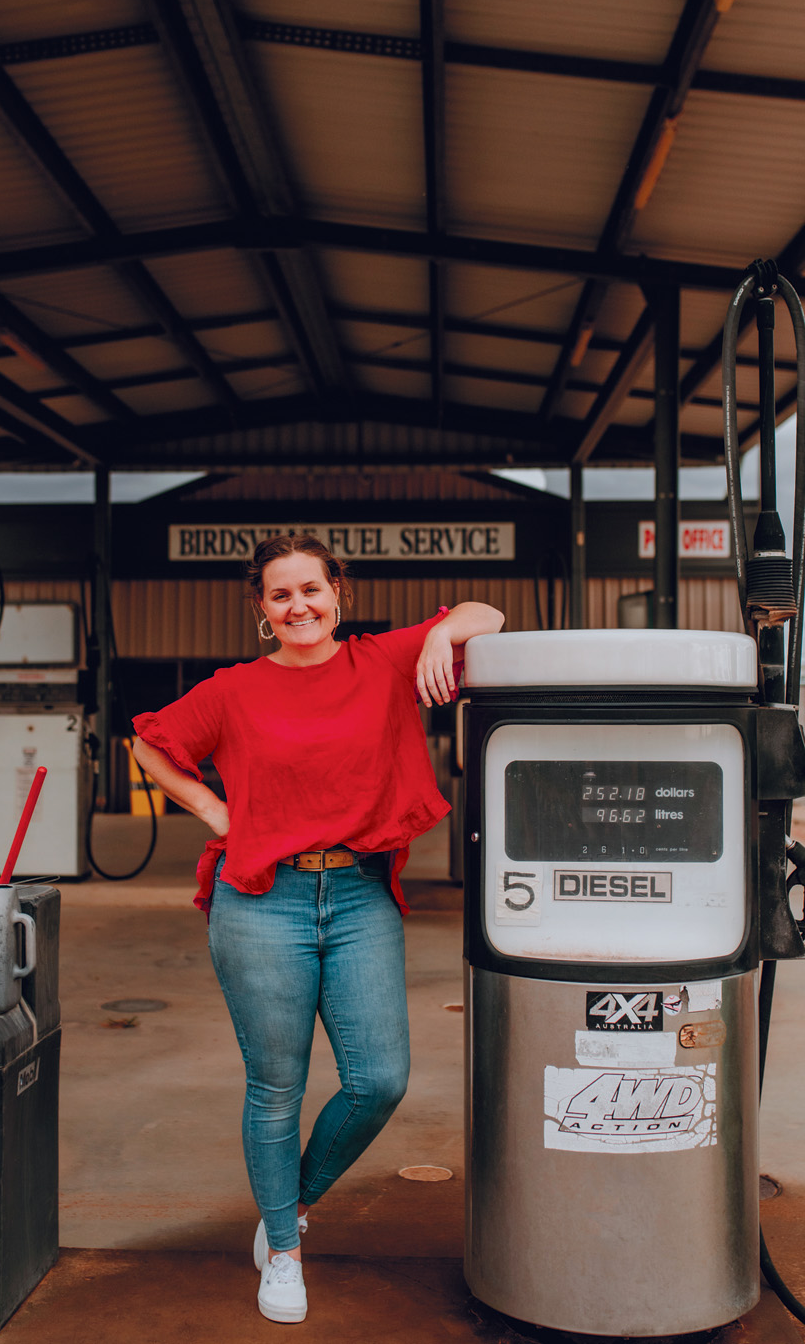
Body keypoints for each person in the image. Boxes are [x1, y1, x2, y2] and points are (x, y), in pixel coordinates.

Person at [131, 535, 504, 1324]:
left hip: (361, 894)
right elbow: (152, 744)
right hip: (264, 897)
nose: (298, 606)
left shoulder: (383, 660)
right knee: (277, 1089)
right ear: (262, 610)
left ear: (338, 591)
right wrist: (214, 811)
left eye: (311, 589)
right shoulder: (232, 690)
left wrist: (439, 631)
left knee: (379, 1080)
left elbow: (489, 615)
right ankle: (286, 1255)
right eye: (279, 595)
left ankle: (287, 1207)